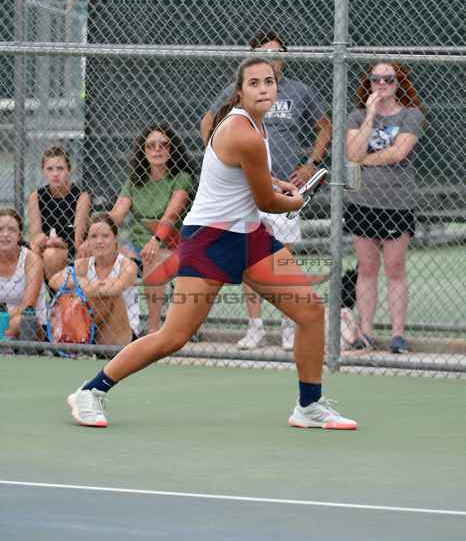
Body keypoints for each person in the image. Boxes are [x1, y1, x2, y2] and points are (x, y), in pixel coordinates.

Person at [66, 57, 357, 431]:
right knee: (173, 337)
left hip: (250, 237)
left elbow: (248, 179)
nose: (264, 89)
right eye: (254, 83)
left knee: (311, 312)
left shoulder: (256, 126)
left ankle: (310, 406)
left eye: (269, 82)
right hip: (209, 240)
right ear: (240, 91)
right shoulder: (242, 132)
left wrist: (277, 184)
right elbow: (268, 202)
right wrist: (295, 201)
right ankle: (91, 391)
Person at [201, 31, 332, 351]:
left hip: (285, 188)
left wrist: (311, 163)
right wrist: (220, 160)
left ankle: (288, 326)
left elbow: (325, 126)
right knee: (249, 258)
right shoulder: (242, 91)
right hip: (247, 189)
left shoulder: (299, 91)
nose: (273, 57)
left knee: (282, 258)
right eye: (265, 52)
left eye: (277, 52)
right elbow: (208, 121)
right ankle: (255, 326)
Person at [345, 62, 426, 354]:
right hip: (362, 202)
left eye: (388, 79)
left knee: (395, 268)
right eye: (376, 79)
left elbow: (399, 152)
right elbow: (352, 152)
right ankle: (365, 331)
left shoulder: (411, 115)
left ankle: (397, 335)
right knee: (367, 269)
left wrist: (364, 160)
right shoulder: (356, 116)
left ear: (398, 82)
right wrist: (370, 114)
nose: (381, 84)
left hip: (397, 203)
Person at [109, 124, 193, 333]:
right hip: (137, 245)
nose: (157, 149)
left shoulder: (181, 178)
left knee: (151, 258)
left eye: (164, 145)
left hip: (172, 246)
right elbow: (116, 215)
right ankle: (114, 327)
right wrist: (98, 238)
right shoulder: (134, 181)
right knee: (106, 252)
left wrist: (155, 241)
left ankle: (154, 329)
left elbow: (171, 215)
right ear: (143, 151)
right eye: (151, 145)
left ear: (171, 150)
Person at [50, 213, 138, 346]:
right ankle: (76, 339)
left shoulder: (127, 265)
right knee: (77, 295)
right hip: (93, 330)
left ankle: (75, 339)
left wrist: (85, 289)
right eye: (94, 237)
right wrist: (82, 282)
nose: (99, 241)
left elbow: (113, 288)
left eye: (105, 236)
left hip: (122, 336)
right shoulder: (84, 263)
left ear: (115, 239)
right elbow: (54, 280)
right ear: (88, 241)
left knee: (108, 296)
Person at [27, 146, 91, 281]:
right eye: (50, 169)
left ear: (68, 170)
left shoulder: (81, 197)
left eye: (60, 168)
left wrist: (59, 243)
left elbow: (77, 241)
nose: (55, 174)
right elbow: (35, 237)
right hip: (46, 246)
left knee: (52, 255)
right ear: (43, 171)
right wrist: (46, 241)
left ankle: (56, 292)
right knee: (36, 249)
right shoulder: (36, 197)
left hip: (71, 250)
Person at [0, 208, 47, 339]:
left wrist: (3, 317)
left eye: (11, 230)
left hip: (30, 322)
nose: (5, 234)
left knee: (20, 321)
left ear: (19, 235)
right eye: (0, 229)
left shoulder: (31, 259)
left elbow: (29, 305)